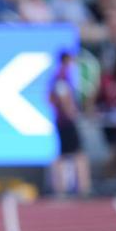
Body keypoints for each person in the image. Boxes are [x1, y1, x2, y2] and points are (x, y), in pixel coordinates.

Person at [49, 51, 92, 196]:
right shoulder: (61, 76)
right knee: (77, 154)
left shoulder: (57, 76)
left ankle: (61, 187)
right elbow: (62, 97)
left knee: (64, 154)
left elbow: (50, 98)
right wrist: (70, 112)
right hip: (66, 121)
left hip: (61, 120)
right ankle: (82, 188)